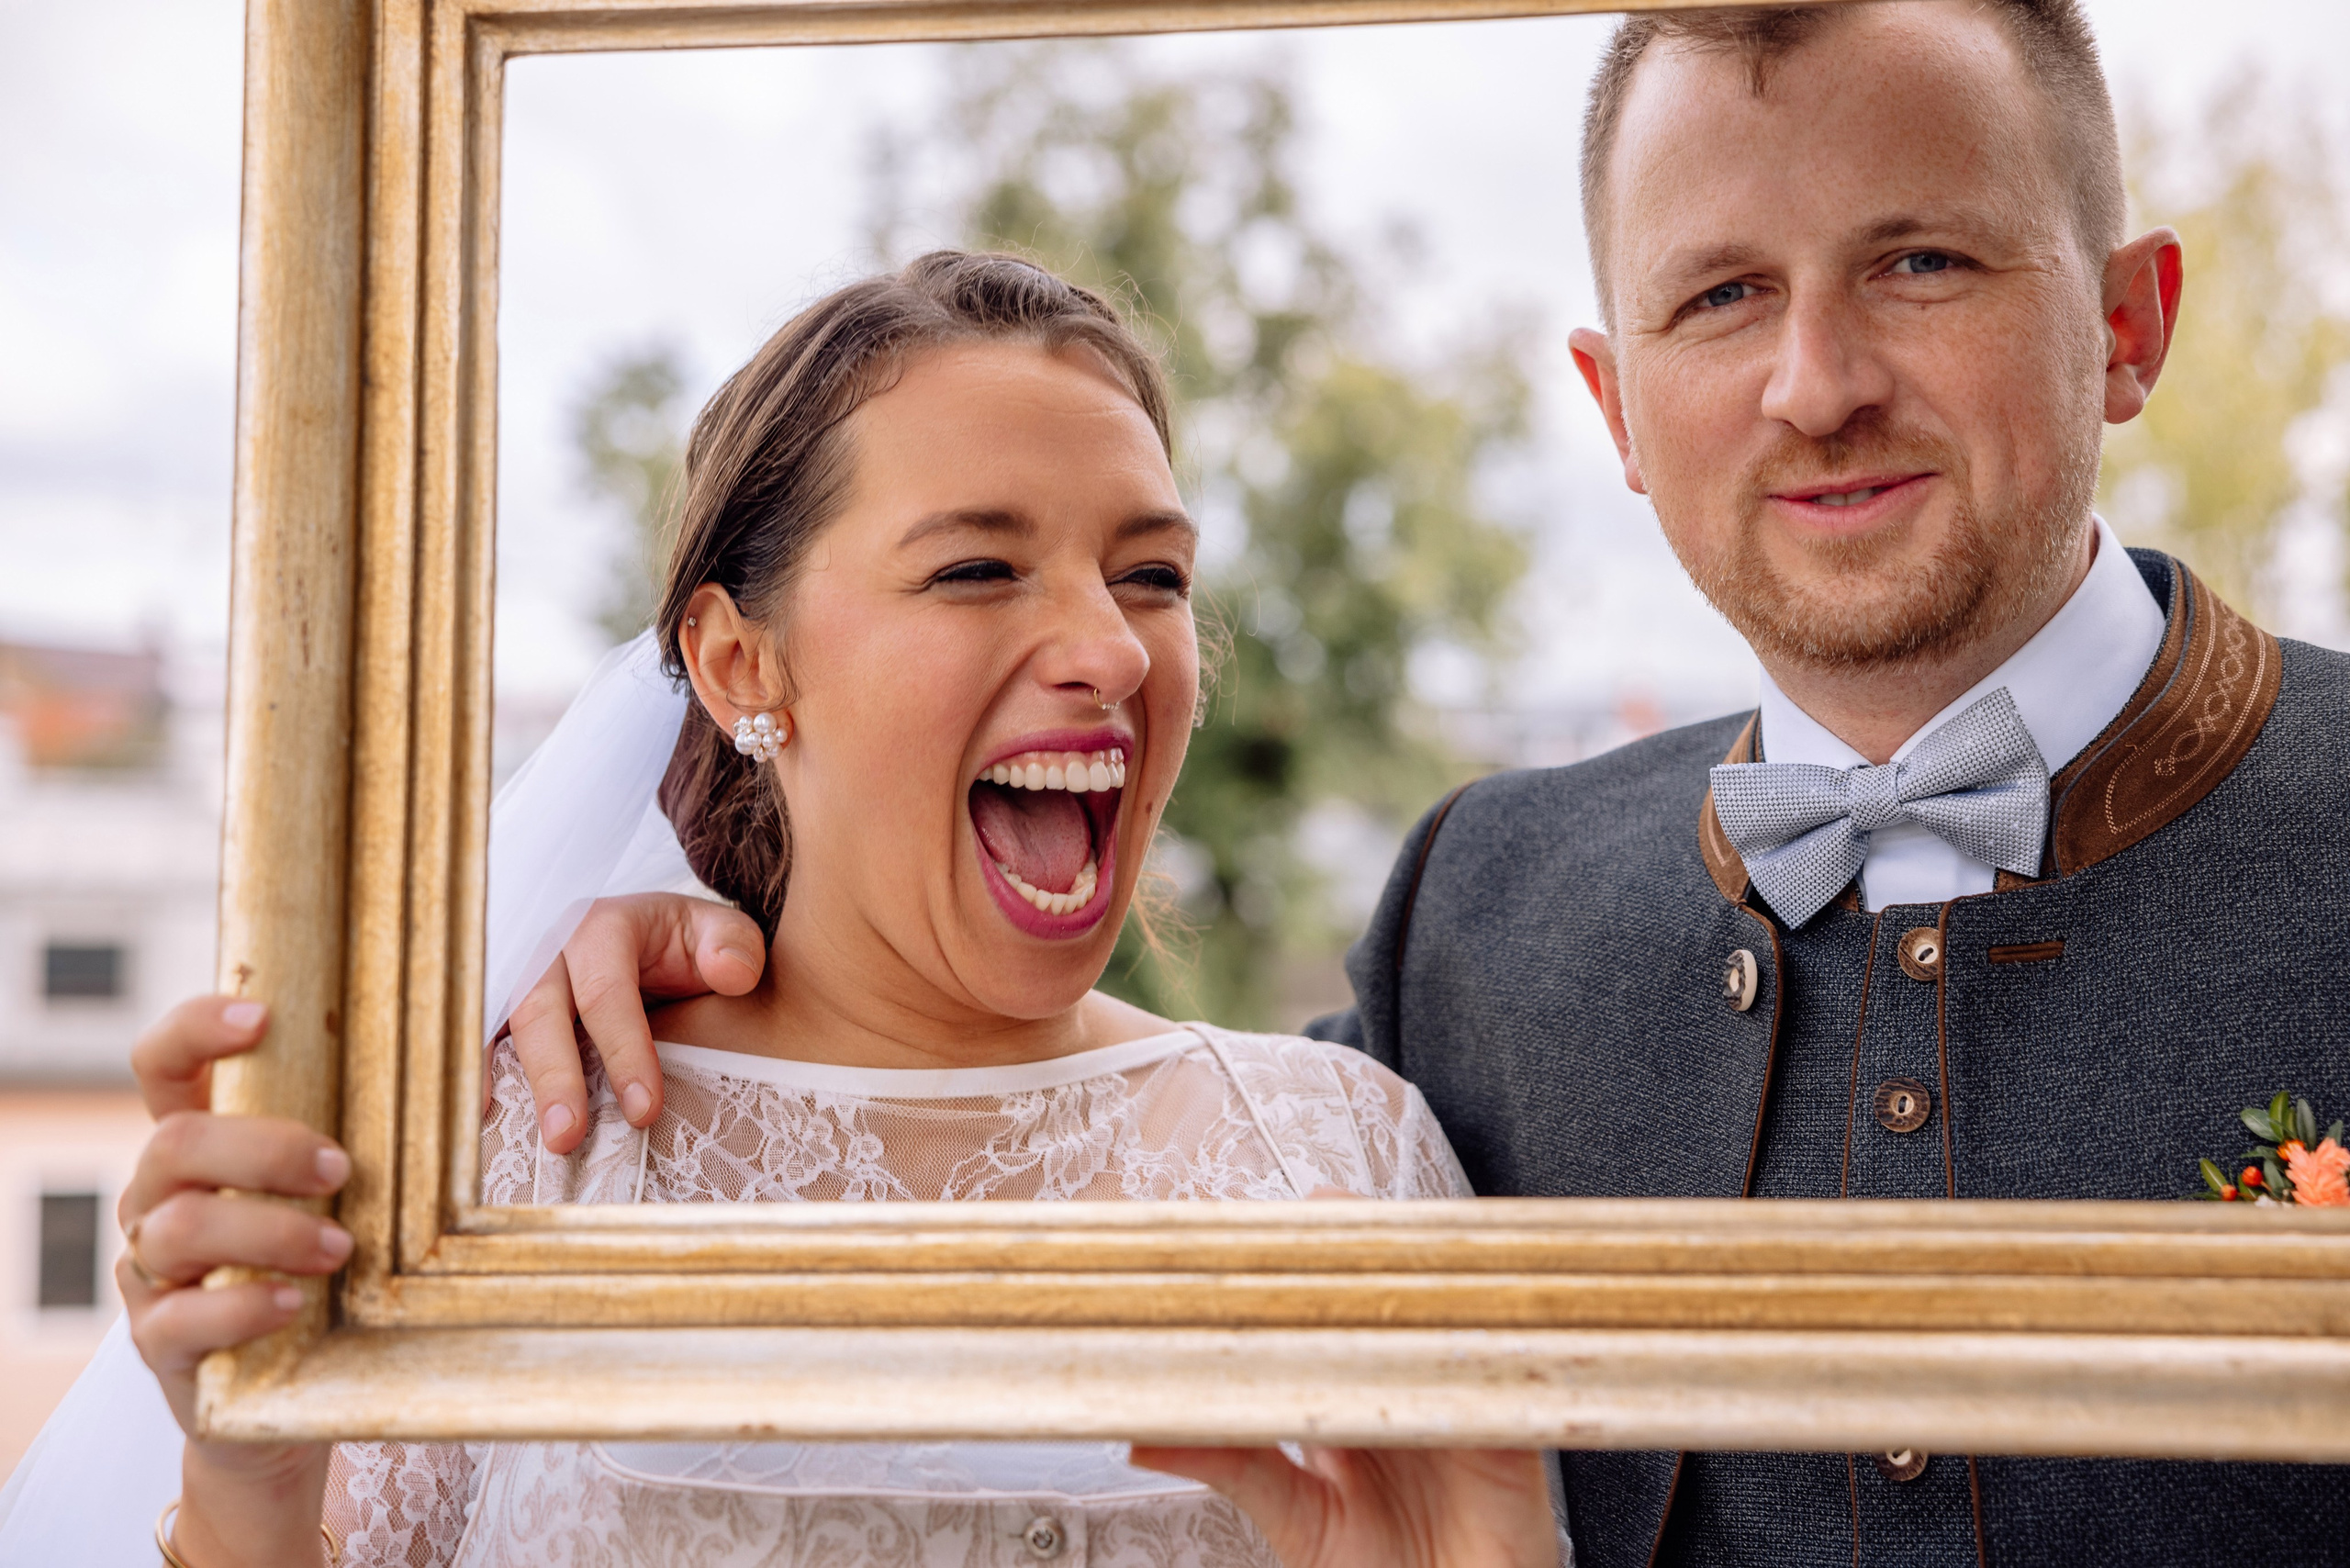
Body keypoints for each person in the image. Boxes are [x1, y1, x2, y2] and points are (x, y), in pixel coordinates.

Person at [334, 4, 2350, 1565]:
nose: (1812, 381)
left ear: (2126, 326)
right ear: (1616, 404)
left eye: (1918, 262)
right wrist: (654, 925)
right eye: (1718, 295)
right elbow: (1024, 1107)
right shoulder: (1478, 912)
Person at [34, 253, 1565, 1568]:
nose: (1110, 649)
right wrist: (248, 1472)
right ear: (739, 665)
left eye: (1150, 574)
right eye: (978, 568)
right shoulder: (518, 1144)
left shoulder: (1347, 1156)